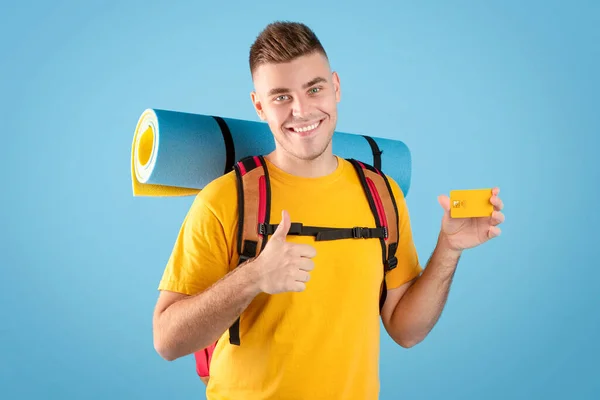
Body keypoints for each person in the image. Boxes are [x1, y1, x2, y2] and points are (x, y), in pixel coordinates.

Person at [152, 21, 505, 399]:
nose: (301, 111)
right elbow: (167, 341)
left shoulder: (381, 195)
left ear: (335, 87)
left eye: (314, 89)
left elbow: (406, 331)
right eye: (281, 97)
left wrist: (448, 249)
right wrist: (252, 277)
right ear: (259, 105)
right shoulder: (225, 200)